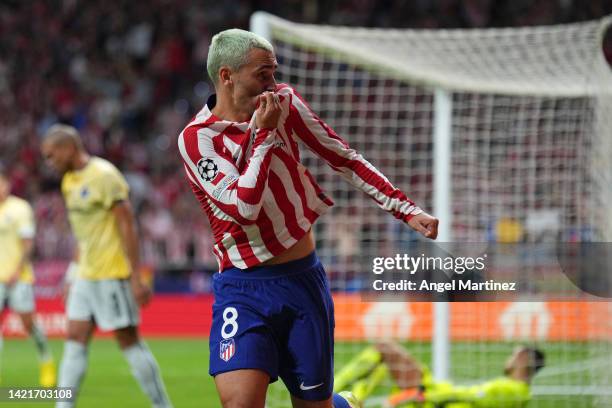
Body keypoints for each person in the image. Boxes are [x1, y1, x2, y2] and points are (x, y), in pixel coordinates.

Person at [178, 29, 439, 408]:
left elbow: (342, 156)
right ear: (226, 76)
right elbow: (243, 208)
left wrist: (406, 209)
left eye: (273, 73)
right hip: (242, 286)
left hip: (302, 281)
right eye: (262, 74)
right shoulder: (197, 139)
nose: (272, 83)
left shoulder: (284, 102)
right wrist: (266, 137)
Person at [41, 125, 173, 408]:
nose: (49, 163)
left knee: (128, 341)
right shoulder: (68, 182)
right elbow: (82, 234)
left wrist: (136, 277)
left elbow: (128, 227)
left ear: (68, 149)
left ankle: (162, 405)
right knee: (74, 338)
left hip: (112, 274)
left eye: (52, 156)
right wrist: (70, 276)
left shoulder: (104, 176)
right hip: (85, 276)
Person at [334, 341, 545, 407]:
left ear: (524, 359)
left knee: (384, 350)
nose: (508, 359)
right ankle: (353, 401)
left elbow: (465, 396)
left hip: (430, 398)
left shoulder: (514, 391)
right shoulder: (514, 389)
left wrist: (421, 395)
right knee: (383, 359)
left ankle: (330, 391)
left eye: (514, 355)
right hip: (432, 392)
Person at [0, 166, 56, 387]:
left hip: (18, 277)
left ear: (7, 184)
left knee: (28, 323)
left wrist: (17, 269)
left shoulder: (20, 208)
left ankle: (46, 361)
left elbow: (28, 244)